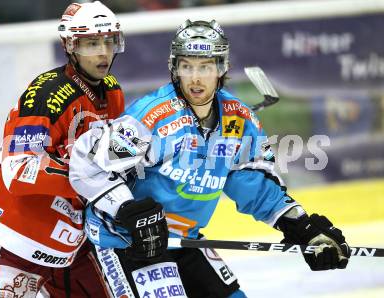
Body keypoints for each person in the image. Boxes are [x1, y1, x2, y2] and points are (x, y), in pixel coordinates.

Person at [69, 19, 351, 298]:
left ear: (221, 68)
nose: (195, 78)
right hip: (126, 240)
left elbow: (251, 182)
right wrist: (126, 209)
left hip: (185, 239)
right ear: (174, 69)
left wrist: (299, 226)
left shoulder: (239, 119)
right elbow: (87, 167)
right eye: (186, 66)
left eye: (205, 66)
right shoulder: (151, 117)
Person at [0, 1, 125, 297]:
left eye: (108, 41)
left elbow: (109, 165)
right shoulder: (45, 95)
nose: (103, 52)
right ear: (70, 45)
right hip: (15, 241)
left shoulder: (113, 92)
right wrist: (91, 179)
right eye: (92, 43)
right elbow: (20, 169)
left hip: (73, 247)